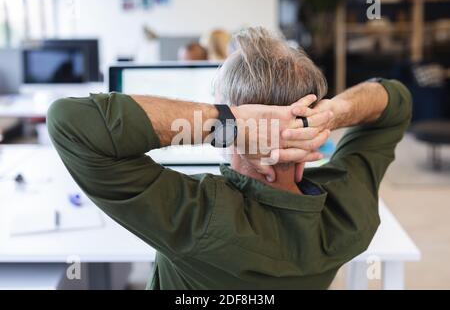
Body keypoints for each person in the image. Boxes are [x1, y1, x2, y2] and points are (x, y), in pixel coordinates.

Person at [47, 27, 412, 289]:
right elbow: (394, 100)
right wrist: (332, 114)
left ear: (244, 124)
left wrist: (226, 123)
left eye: (221, 106)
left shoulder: (197, 216)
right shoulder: (349, 209)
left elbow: (71, 122)